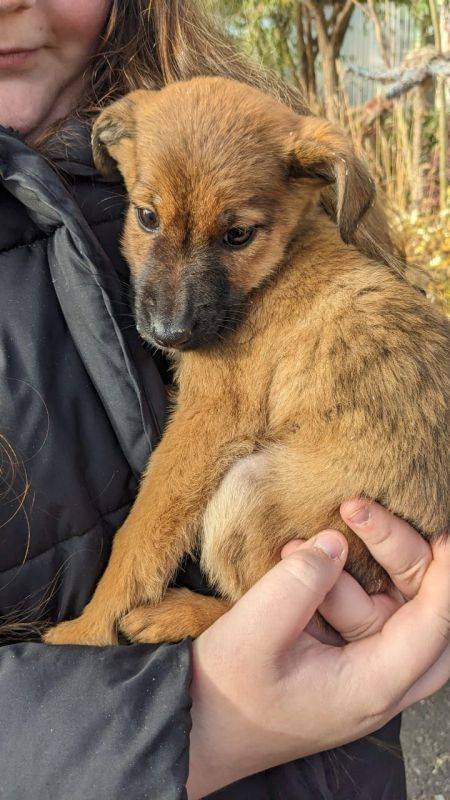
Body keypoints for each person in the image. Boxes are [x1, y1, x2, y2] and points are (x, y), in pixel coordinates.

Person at [0, 1, 448, 798]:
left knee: (234, 482)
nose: (171, 310)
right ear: (120, 152)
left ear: (315, 190)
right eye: (149, 222)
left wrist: (109, 613)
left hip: (337, 539)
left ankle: (223, 615)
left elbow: (197, 451)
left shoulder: (311, 255)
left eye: (235, 237)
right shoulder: (143, 129)